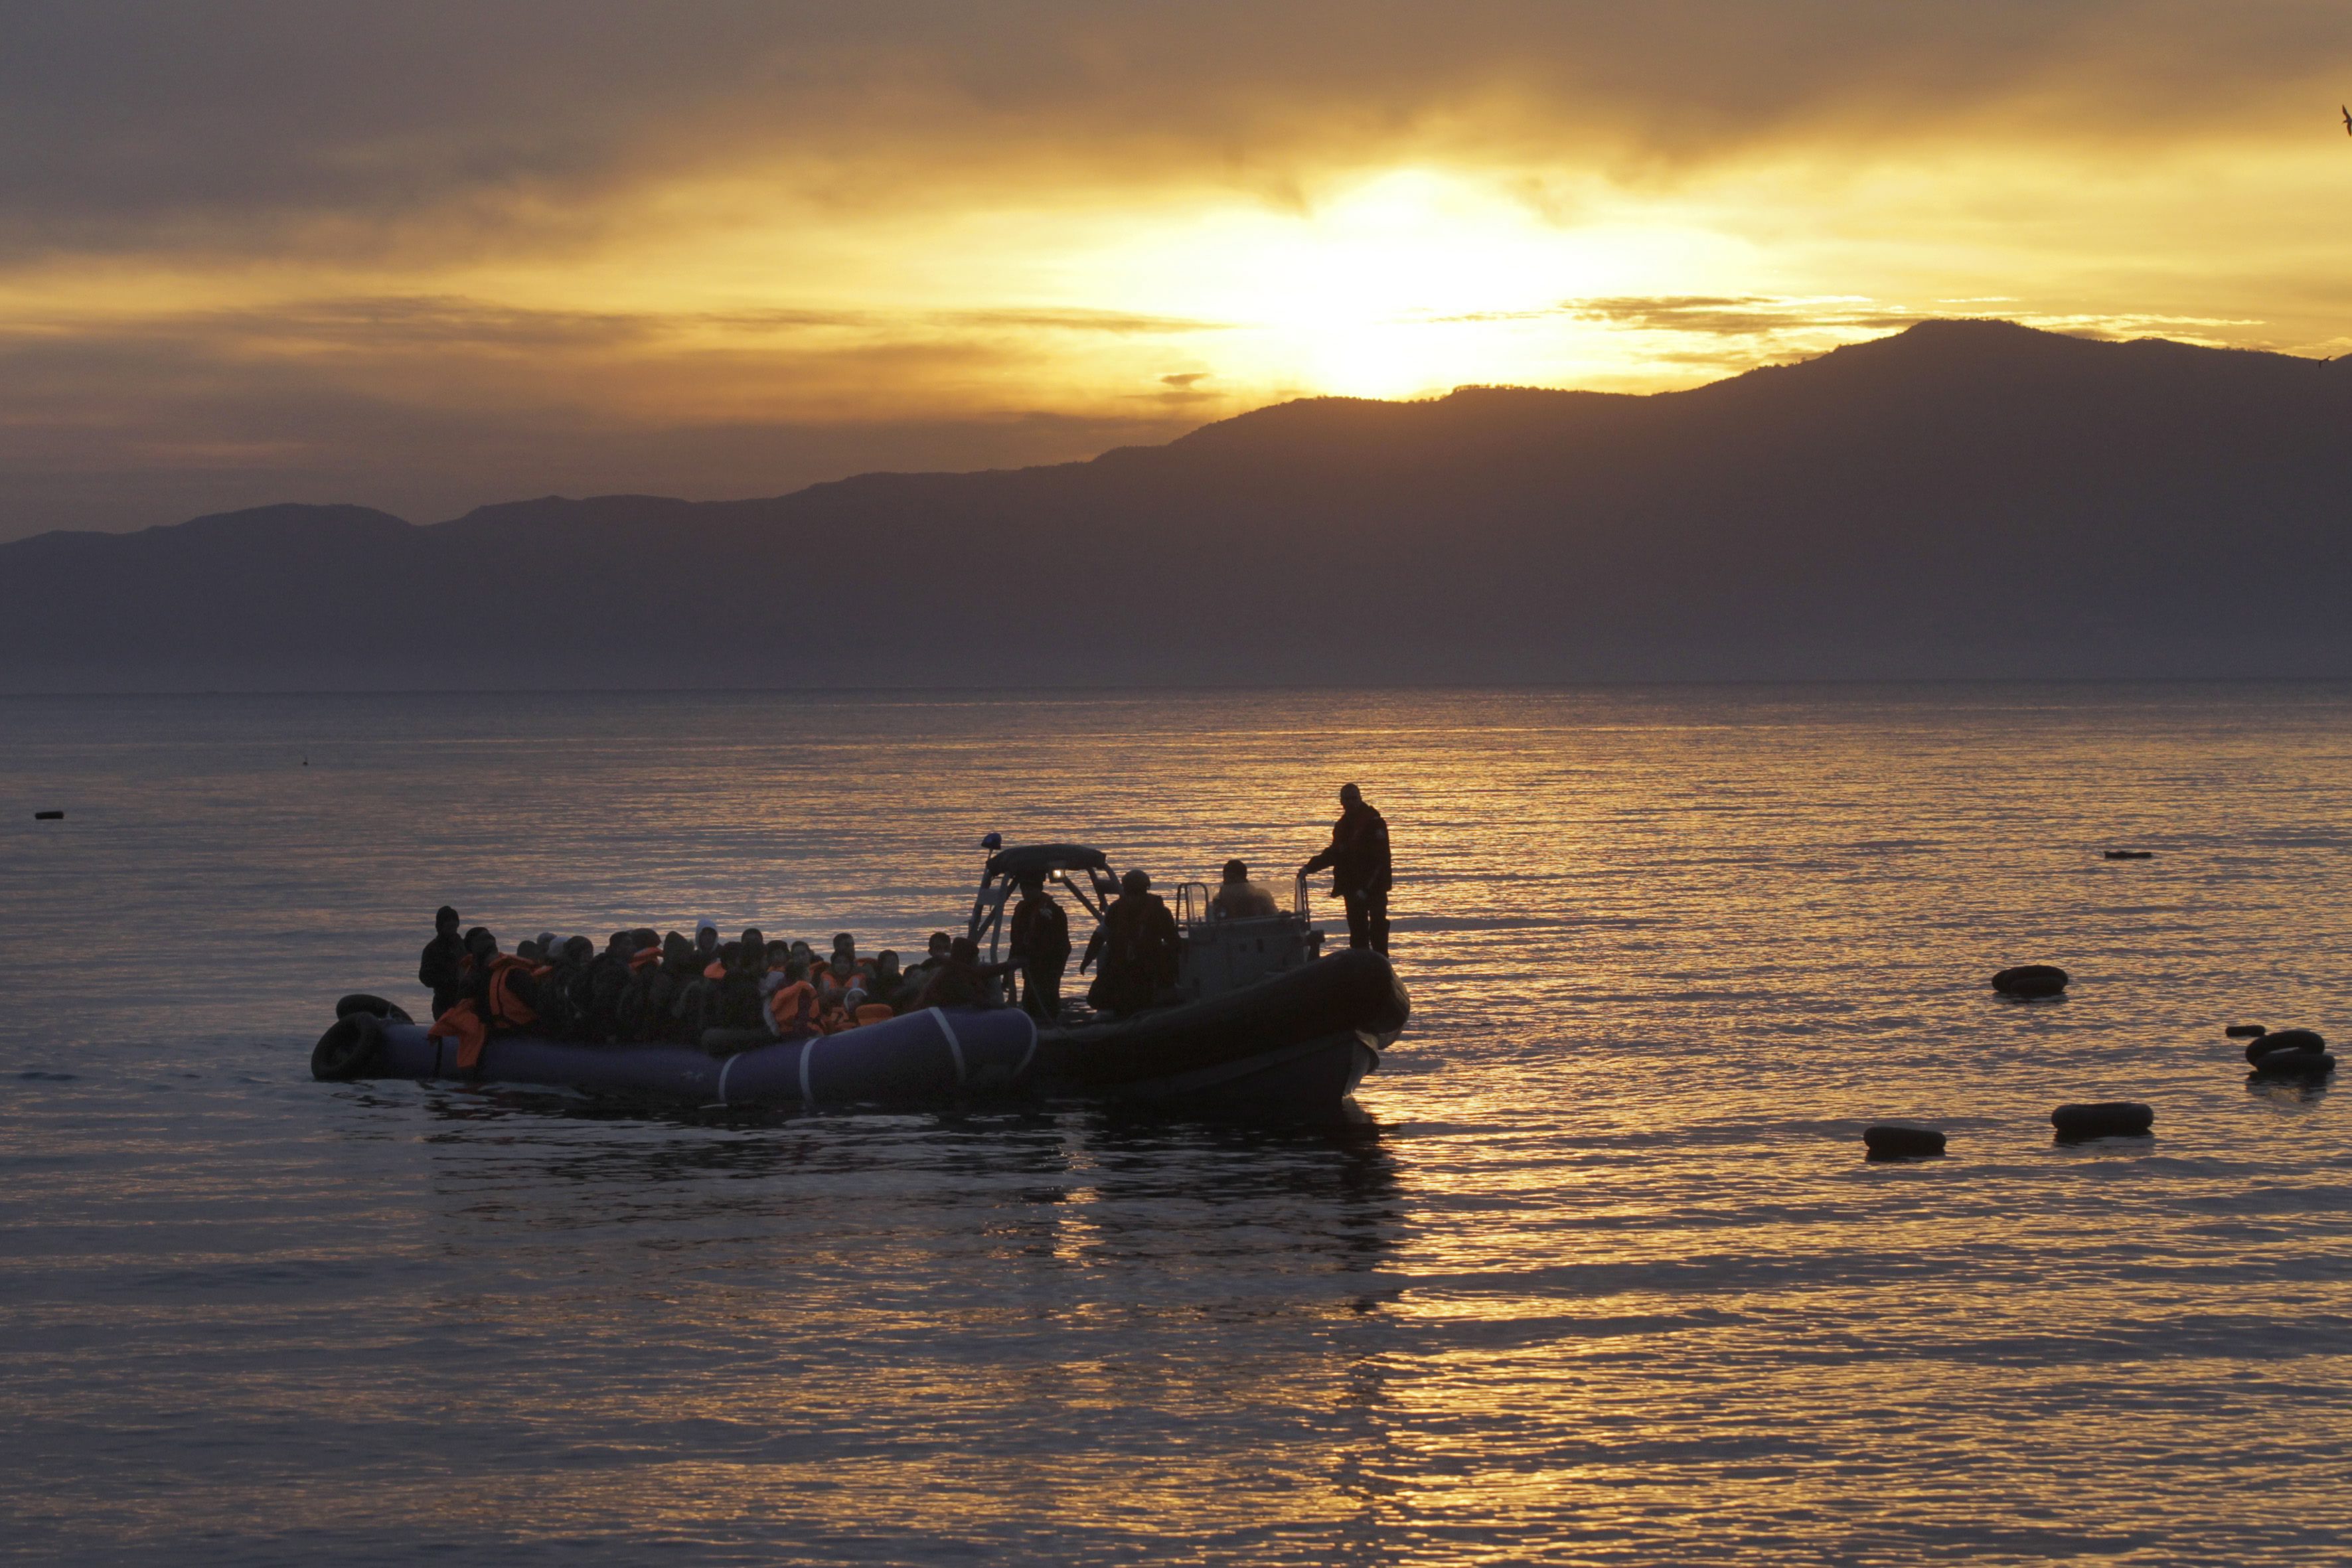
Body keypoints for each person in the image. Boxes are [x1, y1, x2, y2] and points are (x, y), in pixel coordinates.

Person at [1300, 782, 1392, 953]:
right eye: (1347, 799)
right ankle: (1360, 972)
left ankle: (1381, 970)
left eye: (1354, 798)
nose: (1351, 802)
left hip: (1374, 888)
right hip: (1351, 888)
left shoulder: (1375, 823)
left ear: (1360, 799)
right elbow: (1335, 853)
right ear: (1341, 802)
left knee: (1378, 932)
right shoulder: (1341, 826)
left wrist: (1366, 889)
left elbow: (1381, 860)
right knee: (1358, 936)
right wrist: (1309, 867)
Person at [1080, 869, 1180, 1016]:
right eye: (1131, 892)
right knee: (1097, 997)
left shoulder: (1159, 912)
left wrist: (1167, 974)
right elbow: (1100, 936)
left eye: (1137, 892)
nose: (1133, 897)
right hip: (1119, 968)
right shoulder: (1115, 910)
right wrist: (1087, 959)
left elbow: (1173, 942)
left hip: (1146, 969)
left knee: (1137, 998)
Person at [1007, 873, 1071, 1022]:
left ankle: (1052, 1022)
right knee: (1029, 998)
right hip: (1028, 964)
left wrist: (1049, 964)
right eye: (1024, 889)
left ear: (1039, 889)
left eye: (1030, 889)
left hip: (1049, 965)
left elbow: (1059, 943)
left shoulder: (1053, 912)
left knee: (1048, 998)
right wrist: (1009, 968)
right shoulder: (1021, 910)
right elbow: (1016, 941)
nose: (1026, 893)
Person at [418, 906, 467, 1017]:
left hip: (465, 1001)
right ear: (440, 925)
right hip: (444, 1003)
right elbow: (425, 977)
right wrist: (448, 980)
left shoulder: (465, 945)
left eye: (453, 920)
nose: (451, 923)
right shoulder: (432, 949)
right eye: (447, 920)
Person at [1210, 859, 1279, 919]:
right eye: (1226, 878)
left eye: (1232, 878)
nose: (1227, 881)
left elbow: (1275, 917)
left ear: (1243, 878)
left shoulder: (1262, 896)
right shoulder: (1218, 901)